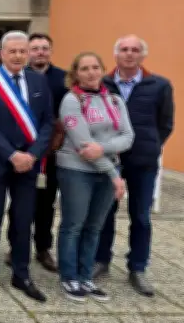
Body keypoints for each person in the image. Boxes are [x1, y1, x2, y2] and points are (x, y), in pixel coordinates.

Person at [0, 30, 53, 302]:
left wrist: (32, 155)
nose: (18, 56)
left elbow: (48, 122)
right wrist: (11, 154)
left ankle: (21, 273)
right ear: (2, 54)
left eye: (23, 51)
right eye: (13, 51)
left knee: (23, 220)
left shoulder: (38, 80)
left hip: (28, 164)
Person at [94, 35, 175, 297]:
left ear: (142, 55)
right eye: (124, 49)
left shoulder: (159, 85)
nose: (129, 54)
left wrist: (151, 145)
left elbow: (165, 123)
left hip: (143, 161)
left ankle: (138, 267)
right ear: (116, 54)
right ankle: (101, 260)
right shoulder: (102, 84)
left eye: (135, 50)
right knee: (104, 212)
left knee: (140, 216)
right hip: (110, 159)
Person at [56, 51, 133, 302]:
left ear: (102, 70)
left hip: (108, 171)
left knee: (94, 227)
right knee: (73, 225)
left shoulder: (114, 100)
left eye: (95, 67)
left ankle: (85, 275)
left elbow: (128, 136)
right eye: (84, 69)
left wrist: (103, 148)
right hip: (77, 170)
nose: (91, 73)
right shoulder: (72, 100)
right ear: (75, 74)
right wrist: (113, 174)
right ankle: (69, 276)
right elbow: (83, 145)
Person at [4, 33, 68, 272]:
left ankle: (43, 247)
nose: (40, 52)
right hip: (21, 152)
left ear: (51, 51)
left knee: (46, 202)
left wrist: (53, 142)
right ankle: (16, 246)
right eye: (35, 48)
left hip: (50, 151)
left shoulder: (63, 79)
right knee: (19, 203)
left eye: (45, 48)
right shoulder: (16, 76)